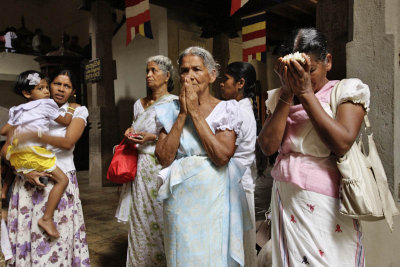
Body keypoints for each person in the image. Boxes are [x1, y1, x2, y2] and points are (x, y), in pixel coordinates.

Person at [257, 28, 369, 266]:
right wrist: (287, 93)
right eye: (295, 72)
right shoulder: (280, 97)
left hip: (327, 203)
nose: (302, 77)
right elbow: (267, 147)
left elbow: (341, 144)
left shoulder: (346, 91)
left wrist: (305, 93)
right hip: (286, 199)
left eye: (310, 70)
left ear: (327, 61)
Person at [155, 46, 251, 266]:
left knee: (211, 254)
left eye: (196, 69)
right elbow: (164, 158)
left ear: (212, 75)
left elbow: (221, 156)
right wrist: (182, 114)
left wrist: (195, 113)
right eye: (185, 70)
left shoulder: (227, 110)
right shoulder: (169, 110)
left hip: (213, 200)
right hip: (179, 201)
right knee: (182, 255)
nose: (189, 76)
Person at [4, 69, 90, 266]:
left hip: (58, 178)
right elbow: (6, 149)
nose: (61, 89)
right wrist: (25, 172)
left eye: (66, 86)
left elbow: (68, 143)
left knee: (56, 243)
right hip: (28, 180)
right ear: (48, 85)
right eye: (57, 84)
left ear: (73, 91)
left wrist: (35, 136)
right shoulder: (31, 109)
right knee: (28, 236)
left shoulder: (77, 111)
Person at [115, 55, 178, 266]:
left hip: (161, 166)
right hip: (140, 166)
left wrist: (152, 137)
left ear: (167, 76)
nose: (149, 75)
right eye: (147, 70)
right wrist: (130, 133)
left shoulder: (173, 103)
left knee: (161, 217)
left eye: (154, 71)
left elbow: (177, 139)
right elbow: (136, 128)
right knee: (139, 217)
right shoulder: (138, 104)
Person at [220, 61, 258, 267]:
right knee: (241, 244)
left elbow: (223, 151)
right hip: (241, 181)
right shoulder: (242, 108)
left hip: (237, 185)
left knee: (238, 246)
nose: (221, 84)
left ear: (240, 83)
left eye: (225, 79)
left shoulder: (236, 110)